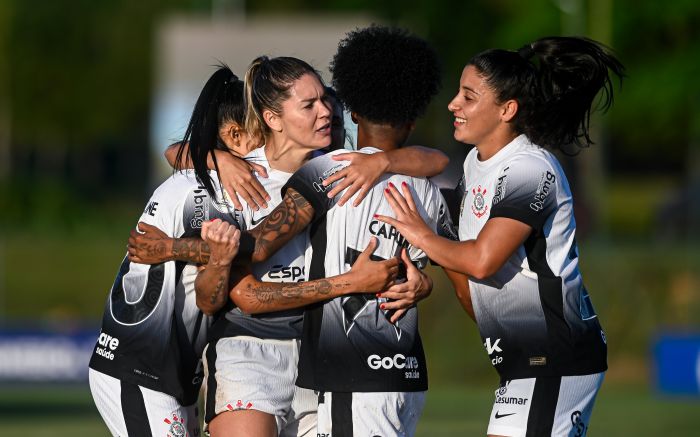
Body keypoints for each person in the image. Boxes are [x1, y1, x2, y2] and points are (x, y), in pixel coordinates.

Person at [128, 54, 449, 436]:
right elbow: (246, 288)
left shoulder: (336, 171)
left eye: (326, 100)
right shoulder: (237, 177)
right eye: (309, 105)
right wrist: (214, 163)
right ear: (273, 119)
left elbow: (435, 161)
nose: (327, 111)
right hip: (249, 351)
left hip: (316, 354)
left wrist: (382, 162)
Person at [375, 36, 625, 437]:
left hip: (556, 357)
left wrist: (419, 234)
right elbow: (452, 243)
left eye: (468, 97)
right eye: (458, 92)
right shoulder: (476, 163)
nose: (454, 104)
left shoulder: (529, 169)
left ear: (507, 109)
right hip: (523, 361)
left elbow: (480, 259)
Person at [88, 66, 256, 437]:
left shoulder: (213, 174)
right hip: (141, 367)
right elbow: (232, 251)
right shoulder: (206, 190)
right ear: (234, 135)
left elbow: (176, 152)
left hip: (168, 371)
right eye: (267, 128)